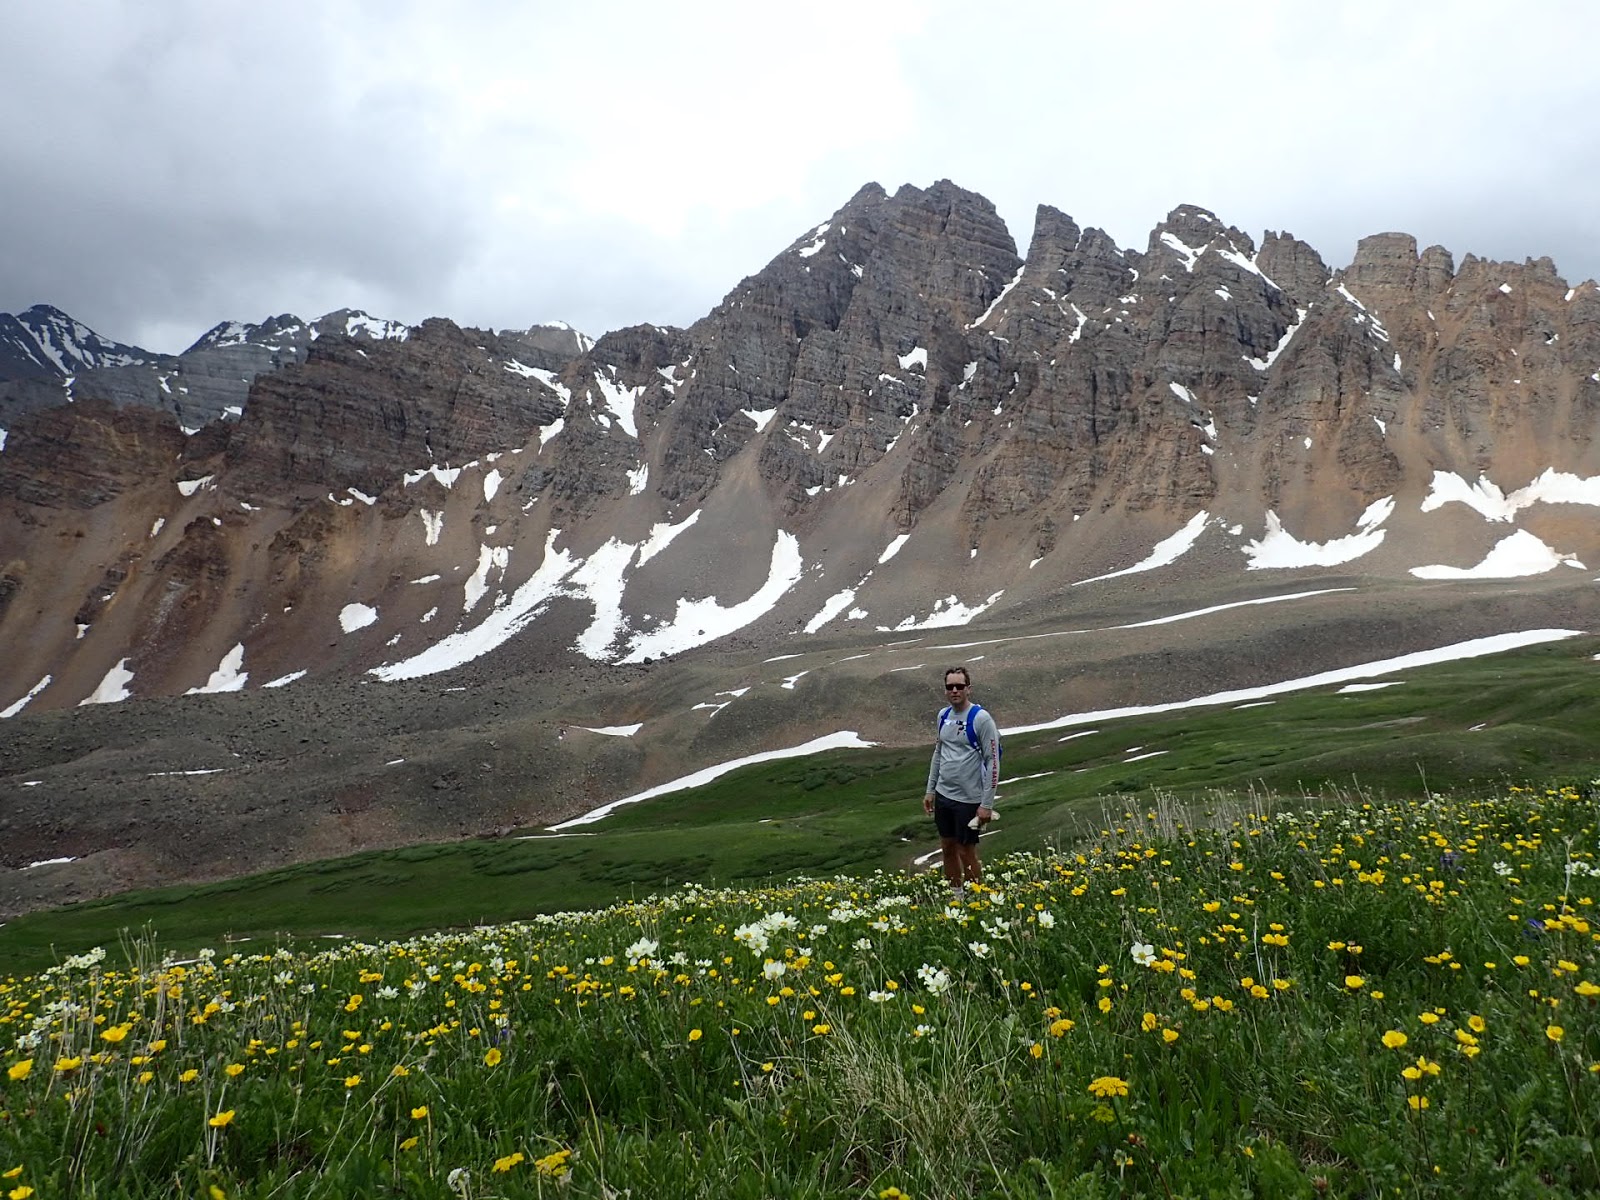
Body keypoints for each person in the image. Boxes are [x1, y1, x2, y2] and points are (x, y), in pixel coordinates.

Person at [923, 666, 999, 901]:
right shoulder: (943, 716)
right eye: (950, 687)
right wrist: (930, 789)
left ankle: (977, 898)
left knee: (966, 851)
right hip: (944, 794)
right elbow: (939, 752)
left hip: (968, 799)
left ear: (968, 689)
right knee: (947, 847)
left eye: (959, 686)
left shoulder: (981, 719)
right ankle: (956, 895)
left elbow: (993, 761)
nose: (954, 690)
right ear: (945, 690)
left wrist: (986, 804)